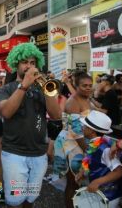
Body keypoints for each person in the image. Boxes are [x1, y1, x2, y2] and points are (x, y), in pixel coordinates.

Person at [0, 43, 61, 208]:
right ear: (16, 64)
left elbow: (56, 115)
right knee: (15, 200)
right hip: (14, 153)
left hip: (39, 153)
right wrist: (24, 85)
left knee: (30, 198)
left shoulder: (42, 89)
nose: (29, 66)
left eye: (33, 62)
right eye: (25, 62)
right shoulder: (6, 89)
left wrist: (47, 91)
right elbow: (6, 112)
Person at [53, 71, 93, 208]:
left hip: (81, 143)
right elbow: (76, 132)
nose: (88, 88)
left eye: (90, 85)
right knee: (72, 182)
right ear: (76, 86)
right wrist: (88, 150)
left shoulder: (87, 99)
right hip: (72, 145)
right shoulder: (73, 102)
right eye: (84, 85)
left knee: (79, 180)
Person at [76, 110, 122, 208]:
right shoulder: (94, 143)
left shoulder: (105, 149)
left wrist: (98, 181)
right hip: (100, 194)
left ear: (92, 131)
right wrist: (82, 171)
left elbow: (120, 171)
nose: (82, 127)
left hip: (109, 197)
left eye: (85, 126)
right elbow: (88, 157)